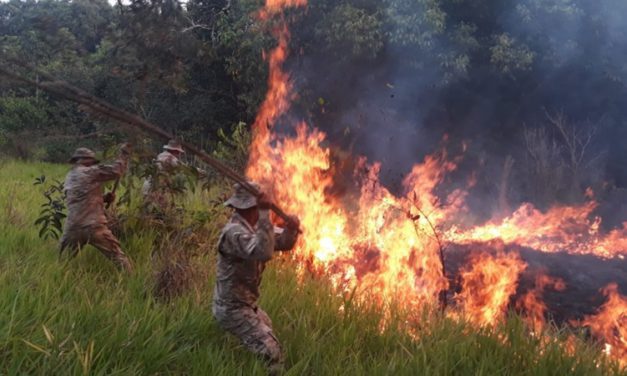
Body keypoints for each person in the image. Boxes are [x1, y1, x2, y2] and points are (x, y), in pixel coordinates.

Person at [212, 182, 300, 372]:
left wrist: (291, 229)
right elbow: (263, 251)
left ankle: (247, 366)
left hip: (247, 305)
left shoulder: (253, 230)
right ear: (250, 208)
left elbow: (281, 243)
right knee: (272, 351)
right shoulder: (233, 233)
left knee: (267, 327)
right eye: (256, 209)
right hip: (231, 308)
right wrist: (265, 214)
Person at [59, 144, 133, 272]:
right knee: (118, 257)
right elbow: (116, 171)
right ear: (87, 161)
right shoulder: (90, 171)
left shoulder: (70, 176)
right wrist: (124, 154)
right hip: (93, 226)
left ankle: (57, 281)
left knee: (63, 263)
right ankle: (133, 281)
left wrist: (104, 198)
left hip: (73, 227)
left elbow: (79, 199)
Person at [141, 139, 185, 204]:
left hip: (147, 185)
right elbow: (184, 167)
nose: (178, 154)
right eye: (178, 152)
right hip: (157, 188)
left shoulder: (160, 155)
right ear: (175, 151)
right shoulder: (172, 158)